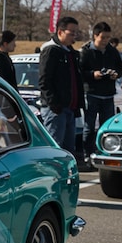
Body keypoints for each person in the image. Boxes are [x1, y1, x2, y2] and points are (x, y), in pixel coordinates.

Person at [39, 16, 85, 162]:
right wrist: (54, 104)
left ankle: (65, 177)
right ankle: (52, 175)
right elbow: (44, 80)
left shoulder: (71, 53)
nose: (74, 36)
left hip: (69, 108)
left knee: (68, 149)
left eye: (76, 32)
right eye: (71, 32)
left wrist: (77, 105)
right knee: (55, 148)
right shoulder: (51, 50)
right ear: (60, 32)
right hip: (56, 109)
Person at [80, 22, 122, 170]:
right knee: (89, 127)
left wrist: (115, 74)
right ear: (95, 36)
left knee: (107, 128)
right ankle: (88, 154)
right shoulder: (86, 51)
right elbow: (80, 72)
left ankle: (106, 153)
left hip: (108, 94)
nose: (105, 41)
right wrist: (93, 74)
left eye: (108, 38)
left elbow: (121, 68)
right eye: (102, 37)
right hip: (91, 93)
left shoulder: (112, 51)